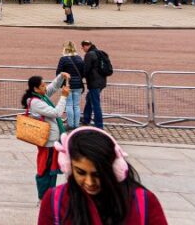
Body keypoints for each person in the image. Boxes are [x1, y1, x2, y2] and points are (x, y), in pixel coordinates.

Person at [38, 127, 168, 225]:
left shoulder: (144, 201)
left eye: (97, 174)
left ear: (115, 169)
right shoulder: (54, 200)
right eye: (81, 172)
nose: (90, 182)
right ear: (68, 166)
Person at [22, 72, 70, 199]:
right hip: (48, 141)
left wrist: (61, 76)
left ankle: (50, 196)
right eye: (42, 86)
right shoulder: (35, 102)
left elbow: (53, 87)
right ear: (36, 89)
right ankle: (44, 197)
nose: (45, 87)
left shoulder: (41, 96)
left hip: (52, 140)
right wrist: (64, 97)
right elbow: (56, 113)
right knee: (45, 170)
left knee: (52, 170)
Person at [57, 41, 86, 129]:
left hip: (67, 84)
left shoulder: (63, 59)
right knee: (76, 105)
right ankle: (76, 125)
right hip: (78, 85)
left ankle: (70, 124)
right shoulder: (79, 58)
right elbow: (83, 72)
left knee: (69, 105)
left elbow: (59, 73)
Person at [81, 40, 107, 129]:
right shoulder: (100, 53)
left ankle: (99, 125)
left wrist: (80, 77)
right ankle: (86, 119)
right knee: (89, 99)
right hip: (101, 82)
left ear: (85, 46)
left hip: (94, 82)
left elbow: (86, 69)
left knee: (95, 104)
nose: (83, 49)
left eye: (83, 47)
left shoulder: (89, 55)